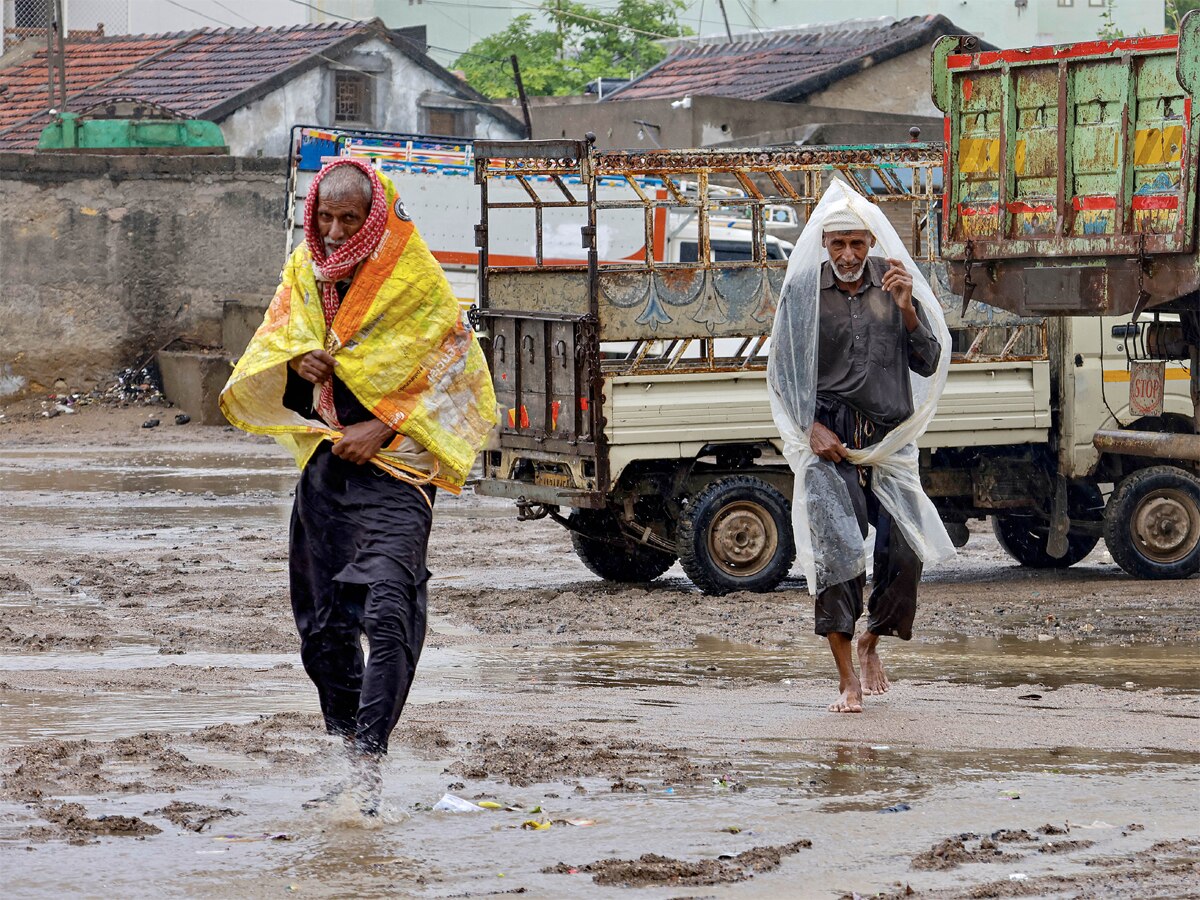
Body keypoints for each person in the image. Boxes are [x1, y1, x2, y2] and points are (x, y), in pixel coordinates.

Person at [220, 158, 496, 814]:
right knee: (322, 630)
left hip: (398, 473)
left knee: (389, 613)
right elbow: (277, 361)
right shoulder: (304, 274)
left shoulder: (415, 278)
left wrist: (381, 423)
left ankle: (371, 762)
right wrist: (299, 363)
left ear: (376, 214)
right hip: (326, 470)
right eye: (326, 218)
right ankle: (347, 755)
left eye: (351, 219)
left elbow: (460, 375)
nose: (338, 232)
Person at [807, 205, 941, 713]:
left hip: (890, 440)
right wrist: (810, 428)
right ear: (824, 244)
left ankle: (872, 641)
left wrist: (907, 308)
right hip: (832, 444)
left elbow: (928, 359)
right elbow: (783, 374)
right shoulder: (805, 296)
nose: (848, 254)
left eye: (857, 244)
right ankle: (847, 680)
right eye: (838, 243)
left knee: (905, 552)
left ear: (871, 241)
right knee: (839, 557)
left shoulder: (894, 281)